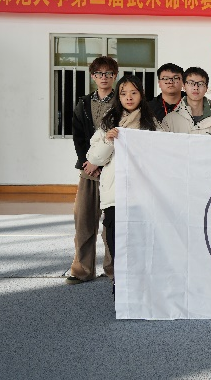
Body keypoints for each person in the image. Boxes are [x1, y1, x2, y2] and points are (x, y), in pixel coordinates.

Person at [86, 75, 158, 277]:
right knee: (117, 246)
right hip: (115, 195)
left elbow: (160, 155)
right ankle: (120, 290)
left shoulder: (151, 123)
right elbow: (95, 158)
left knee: (141, 246)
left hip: (141, 196)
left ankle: (140, 288)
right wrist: (108, 141)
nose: (129, 97)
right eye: (124, 93)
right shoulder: (109, 122)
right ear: (118, 97)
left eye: (134, 92)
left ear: (141, 95)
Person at [66, 56, 118, 285]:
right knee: (84, 220)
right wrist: (87, 163)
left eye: (108, 73)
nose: (103, 77)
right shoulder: (83, 103)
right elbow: (78, 136)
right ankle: (82, 270)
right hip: (89, 169)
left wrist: (101, 162)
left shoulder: (121, 101)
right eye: (99, 74)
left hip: (114, 168)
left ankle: (113, 269)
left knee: (112, 222)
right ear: (93, 76)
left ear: (115, 76)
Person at [162, 67, 211, 135]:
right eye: (191, 83)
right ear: (184, 86)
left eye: (200, 84)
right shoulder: (170, 120)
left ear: (206, 88)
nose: (195, 88)